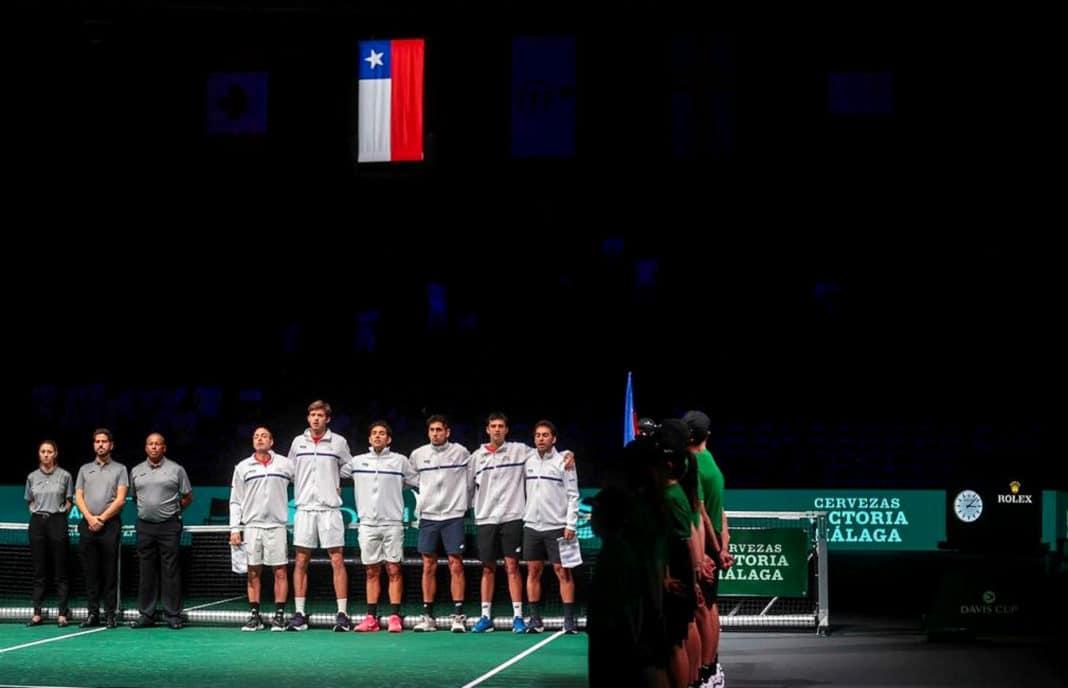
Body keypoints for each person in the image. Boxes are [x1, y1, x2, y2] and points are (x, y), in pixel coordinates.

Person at [470, 412, 574, 634]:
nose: (497, 429)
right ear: (487, 430)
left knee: (513, 567)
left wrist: (567, 453)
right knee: (488, 568)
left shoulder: (521, 452)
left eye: (501, 426)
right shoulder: (477, 456)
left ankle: (519, 617)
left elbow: (551, 454)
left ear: (506, 430)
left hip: (514, 518)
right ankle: (485, 617)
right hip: (487, 518)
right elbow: (468, 484)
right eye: (493, 426)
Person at [344, 420, 418, 633]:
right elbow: (331, 473)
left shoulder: (400, 461)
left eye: (382, 433)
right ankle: (371, 618)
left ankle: (394, 616)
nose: (377, 436)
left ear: (389, 439)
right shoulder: (357, 462)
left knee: (394, 569)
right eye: (374, 433)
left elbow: (420, 481)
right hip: (367, 524)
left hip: (393, 523)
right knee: (371, 571)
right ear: (369, 438)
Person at [286, 399, 353, 631]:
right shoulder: (297, 443)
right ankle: (299, 613)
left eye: (320, 415)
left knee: (337, 559)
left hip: (329, 510)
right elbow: (291, 472)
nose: (316, 418)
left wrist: (333, 482)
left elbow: (349, 468)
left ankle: (342, 614)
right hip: (304, 509)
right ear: (308, 418)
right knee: (301, 560)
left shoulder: (338, 442)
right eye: (312, 414)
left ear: (327, 419)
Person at [409, 414, 473, 633]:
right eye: (432, 430)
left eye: (439, 430)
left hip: (453, 516)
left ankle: (458, 616)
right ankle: (428, 617)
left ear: (447, 432)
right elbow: (410, 479)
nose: (435, 433)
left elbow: (473, 477)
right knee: (428, 565)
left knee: (456, 564)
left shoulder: (461, 452)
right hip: (428, 517)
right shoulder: (418, 455)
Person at [683, 410, 733, 688]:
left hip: (702, 542)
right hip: (713, 541)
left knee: (698, 611)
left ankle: (703, 673)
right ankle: (712, 668)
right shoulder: (711, 460)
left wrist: (707, 551)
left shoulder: (692, 463)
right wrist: (723, 547)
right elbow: (722, 513)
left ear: (689, 435)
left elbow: (700, 511)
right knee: (711, 608)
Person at [229, 426, 295, 631]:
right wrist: (234, 529)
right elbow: (235, 501)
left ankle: (279, 616)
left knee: (280, 572)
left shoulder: (285, 464)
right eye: (256, 436)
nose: (259, 439)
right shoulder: (242, 467)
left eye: (264, 436)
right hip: (252, 526)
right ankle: (254, 616)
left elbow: (304, 485)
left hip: (277, 526)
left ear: (271, 442)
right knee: (253, 573)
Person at [128, 432, 193, 630]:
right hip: (145, 526)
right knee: (146, 571)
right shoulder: (136, 470)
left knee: (170, 572)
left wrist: (173, 510)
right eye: (151, 444)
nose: (154, 447)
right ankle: (146, 615)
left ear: (164, 448)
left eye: (158, 444)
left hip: (169, 526)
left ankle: (172, 615)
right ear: (146, 448)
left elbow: (188, 496)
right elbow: (135, 497)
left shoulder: (176, 469)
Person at [522, 420, 580, 634]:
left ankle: (568, 620)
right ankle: (535, 619)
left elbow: (573, 495)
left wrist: (570, 523)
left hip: (557, 526)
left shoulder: (564, 461)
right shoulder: (526, 460)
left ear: (553, 438)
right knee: (533, 572)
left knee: (562, 572)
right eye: (538, 435)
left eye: (545, 435)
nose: (541, 438)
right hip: (531, 526)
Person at [74, 428, 128, 629]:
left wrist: (102, 519)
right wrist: (89, 518)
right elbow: (78, 496)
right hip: (87, 525)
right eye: (97, 441)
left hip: (110, 526)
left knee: (109, 572)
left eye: (104, 441)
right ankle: (92, 614)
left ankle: (110, 615)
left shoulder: (120, 469)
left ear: (111, 445)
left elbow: (121, 499)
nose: (100, 445)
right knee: (90, 572)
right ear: (93, 445)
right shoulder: (84, 469)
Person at [24, 439, 73, 627]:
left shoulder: (65, 476)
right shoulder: (31, 477)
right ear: (39, 454)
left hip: (57, 522)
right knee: (39, 571)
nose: (45, 454)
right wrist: (36, 512)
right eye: (42, 451)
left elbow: (69, 501)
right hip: (37, 523)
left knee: (60, 570)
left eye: (49, 451)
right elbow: (29, 500)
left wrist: (59, 515)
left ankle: (62, 614)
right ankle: (37, 613)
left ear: (55, 454)